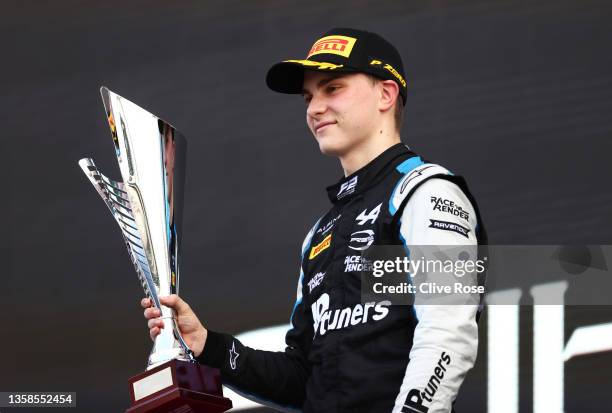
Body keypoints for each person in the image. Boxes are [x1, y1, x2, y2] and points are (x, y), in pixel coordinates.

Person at [142, 28, 487, 413]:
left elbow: (446, 335)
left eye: (332, 88)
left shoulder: (426, 193)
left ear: (386, 95)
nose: (314, 108)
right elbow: (303, 378)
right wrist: (210, 346)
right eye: (309, 97)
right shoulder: (321, 233)